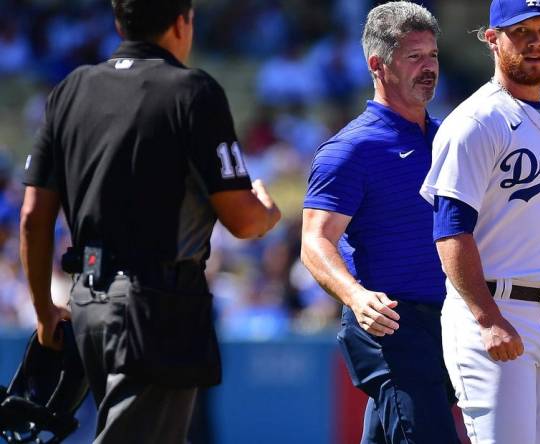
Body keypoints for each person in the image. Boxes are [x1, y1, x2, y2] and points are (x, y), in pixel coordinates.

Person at [19, 0, 281, 442]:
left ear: (119, 21)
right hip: (156, 307)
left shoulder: (70, 88)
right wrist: (267, 209)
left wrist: (46, 311)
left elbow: (31, 218)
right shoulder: (192, 91)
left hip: (87, 302)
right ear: (182, 21)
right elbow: (244, 221)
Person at [419, 0, 540, 442]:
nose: (535, 42)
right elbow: (450, 231)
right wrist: (487, 317)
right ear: (493, 39)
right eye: (521, 31)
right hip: (498, 310)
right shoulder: (475, 122)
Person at [301, 2, 458, 443]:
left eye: (433, 56)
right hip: (389, 324)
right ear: (377, 64)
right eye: (414, 57)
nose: (429, 68)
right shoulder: (349, 149)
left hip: (448, 323)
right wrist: (355, 297)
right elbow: (314, 241)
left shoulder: (450, 138)